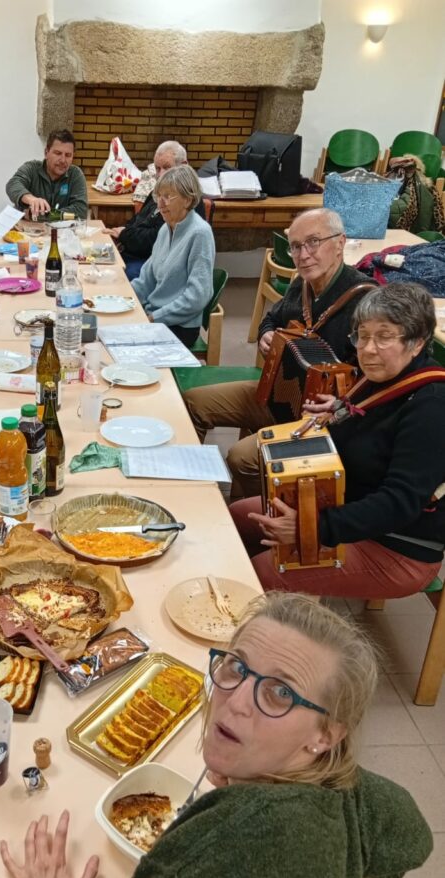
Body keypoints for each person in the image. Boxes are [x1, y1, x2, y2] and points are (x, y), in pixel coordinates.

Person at [0, 593, 432, 878]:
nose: (236, 702)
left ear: (326, 735)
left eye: (280, 693)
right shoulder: (340, 794)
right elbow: (412, 837)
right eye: (237, 668)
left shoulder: (228, 849)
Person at [231, 283, 445, 597]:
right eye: (362, 335)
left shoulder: (432, 406)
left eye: (384, 336)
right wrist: (339, 410)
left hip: (396, 545)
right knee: (236, 518)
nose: (368, 349)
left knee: (264, 575)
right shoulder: (379, 376)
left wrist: (311, 527)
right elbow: (372, 425)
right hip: (348, 505)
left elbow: (399, 503)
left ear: (417, 342)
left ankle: (267, 611)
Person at [185, 208, 371, 497]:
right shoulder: (301, 285)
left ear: (340, 243)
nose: (303, 255)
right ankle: (188, 490)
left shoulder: (365, 302)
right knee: (193, 403)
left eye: (313, 242)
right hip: (278, 396)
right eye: (295, 246)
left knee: (241, 457)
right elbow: (271, 319)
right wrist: (266, 334)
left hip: (320, 421)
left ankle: (258, 516)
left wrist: (340, 403)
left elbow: (376, 376)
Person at [130, 164, 215, 347]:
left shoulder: (200, 233)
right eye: (158, 196)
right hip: (155, 316)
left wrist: (155, 317)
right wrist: (124, 299)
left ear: (187, 200)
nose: (160, 204)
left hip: (180, 326)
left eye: (168, 197)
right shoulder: (165, 229)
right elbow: (146, 279)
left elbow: (198, 296)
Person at [103, 140, 189, 280]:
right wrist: (121, 234)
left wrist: (124, 234)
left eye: (167, 167)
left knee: (117, 276)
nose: (160, 175)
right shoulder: (157, 193)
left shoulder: (184, 201)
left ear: (183, 166)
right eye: (157, 169)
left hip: (156, 263)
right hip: (136, 253)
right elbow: (137, 220)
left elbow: (155, 239)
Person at [6, 130, 89, 221]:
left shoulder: (75, 174)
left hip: (60, 229)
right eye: (58, 153)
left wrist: (40, 215)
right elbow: (12, 185)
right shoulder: (31, 168)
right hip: (27, 228)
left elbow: (81, 211)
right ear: (46, 153)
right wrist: (31, 199)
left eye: (68, 155)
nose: (63, 160)